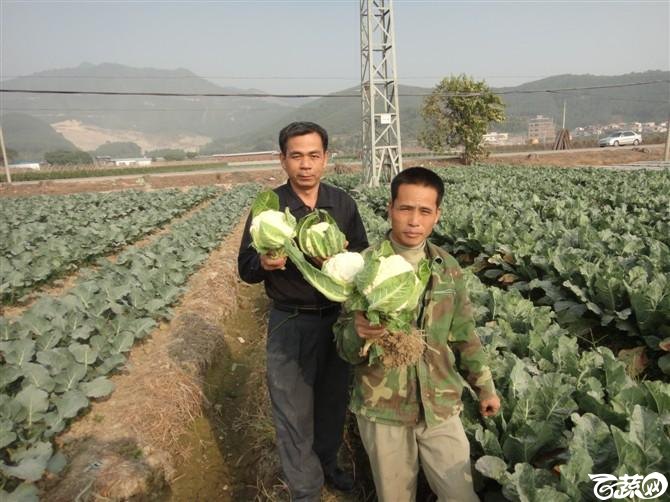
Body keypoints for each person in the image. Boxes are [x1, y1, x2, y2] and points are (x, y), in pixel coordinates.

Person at [334, 166, 500, 502]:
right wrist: (357, 330)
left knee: (460, 494)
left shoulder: (447, 267)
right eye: (405, 208)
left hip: (440, 405)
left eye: (425, 211)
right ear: (390, 209)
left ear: (437, 215)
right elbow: (343, 347)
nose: (414, 220)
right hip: (384, 410)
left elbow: (464, 334)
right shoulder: (362, 267)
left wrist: (485, 388)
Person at [237, 121, 368, 501]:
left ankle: (329, 465)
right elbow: (244, 269)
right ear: (283, 159)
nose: (305, 164)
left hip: (336, 320)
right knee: (292, 412)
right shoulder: (270, 209)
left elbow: (363, 256)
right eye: (296, 156)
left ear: (326, 158)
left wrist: (344, 254)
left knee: (331, 403)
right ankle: (306, 490)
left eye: (314, 155)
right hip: (290, 321)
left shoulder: (342, 203)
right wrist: (264, 262)